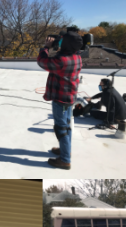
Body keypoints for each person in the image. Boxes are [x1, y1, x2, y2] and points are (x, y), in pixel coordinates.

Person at [37, 30, 83, 170]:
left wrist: (46, 47)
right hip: (69, 97)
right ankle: (65, 150)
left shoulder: (62, 61)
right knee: (66, 126)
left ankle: (65, 160)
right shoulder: (76, 57)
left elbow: (42, 61)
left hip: (60, 99)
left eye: (62, 40)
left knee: (61, 129)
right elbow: (61, 56)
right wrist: (58, 46)